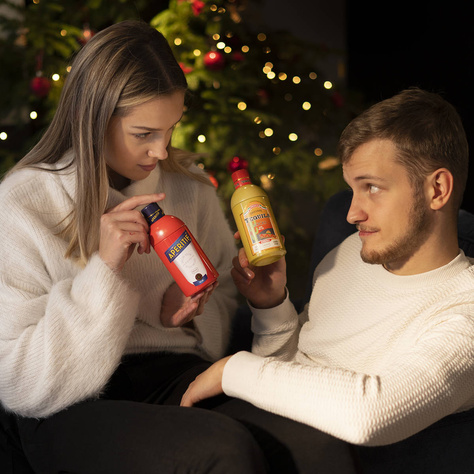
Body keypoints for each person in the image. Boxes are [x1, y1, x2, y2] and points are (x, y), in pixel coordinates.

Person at [0, 20, 270, 473]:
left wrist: (182, 308)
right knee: (222, 451)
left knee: (312, 441)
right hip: (72, 400)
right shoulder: (25, 202)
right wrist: (104, 272)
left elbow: (221, 294)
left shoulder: (192, 190)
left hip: (175, 373)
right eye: (144, 134)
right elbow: (18, 378)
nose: (162, 151)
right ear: (94, 120)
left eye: (171, 129)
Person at [181, 88, 474, 449]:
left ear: (437, 189)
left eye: (372, 187)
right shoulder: (351, 252)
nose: (353, 214)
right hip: (266, 438)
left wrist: (232, 370)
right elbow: (284, 373)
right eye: (352, 189)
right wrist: (271, 305)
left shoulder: (465, 310)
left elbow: (370, 415)